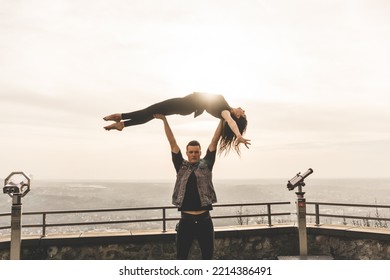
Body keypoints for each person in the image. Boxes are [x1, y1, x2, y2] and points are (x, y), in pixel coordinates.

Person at [154, 113, 222, 259]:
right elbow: (172, 142)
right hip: (186, 221)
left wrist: (223, 118)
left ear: (200, 152)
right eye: (191, 152)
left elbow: (214, 140)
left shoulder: (206, 165)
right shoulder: (180, 165)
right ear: (187, 153)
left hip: (205, 220)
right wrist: (164, 120)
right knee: (182, 257)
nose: (194, 154)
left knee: (208, 257)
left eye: (196, 152)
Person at [103, 92, 250, 155]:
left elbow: (230, 122)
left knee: (152, 110)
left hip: (185, 105)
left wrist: (238, 135)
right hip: (186, 104)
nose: (243, 110)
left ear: (237, 116)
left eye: (243, 113)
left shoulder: (225, 112)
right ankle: (122, 124)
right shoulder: (226, 107)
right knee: (153, 113)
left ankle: (120, 117)